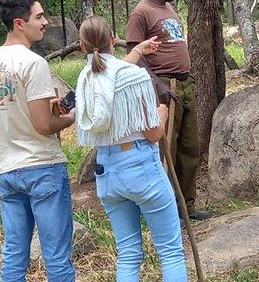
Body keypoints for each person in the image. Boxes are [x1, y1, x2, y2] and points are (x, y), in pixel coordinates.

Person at [76, 15, 188, 282]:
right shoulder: (135, 76)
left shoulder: (86, 79)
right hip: (140, 166)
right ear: (114, 40)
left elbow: (110, 75)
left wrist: (138, 51)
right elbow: (153, 134)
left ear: (82, 47)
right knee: (170, 251)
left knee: (127, 253)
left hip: (107, 172)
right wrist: (161, 116)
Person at [0, 0, 76, 282]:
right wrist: (70, 118)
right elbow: (43, 125)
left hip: (6, 169)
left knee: (14, 253)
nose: (45, 22)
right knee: (56, 256)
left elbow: (13, 110)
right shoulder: (34, 63)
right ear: (20, 23)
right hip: (41, 166)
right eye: (39, 16)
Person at [125, 0, 210, 221]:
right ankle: (165, 210)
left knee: (189, 147)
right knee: (166, 149)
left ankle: (187, 205)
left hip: (185, 84)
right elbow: (134, 54)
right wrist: (157, 84)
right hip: (163, 86)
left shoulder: (170, 9)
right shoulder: (141, 13)